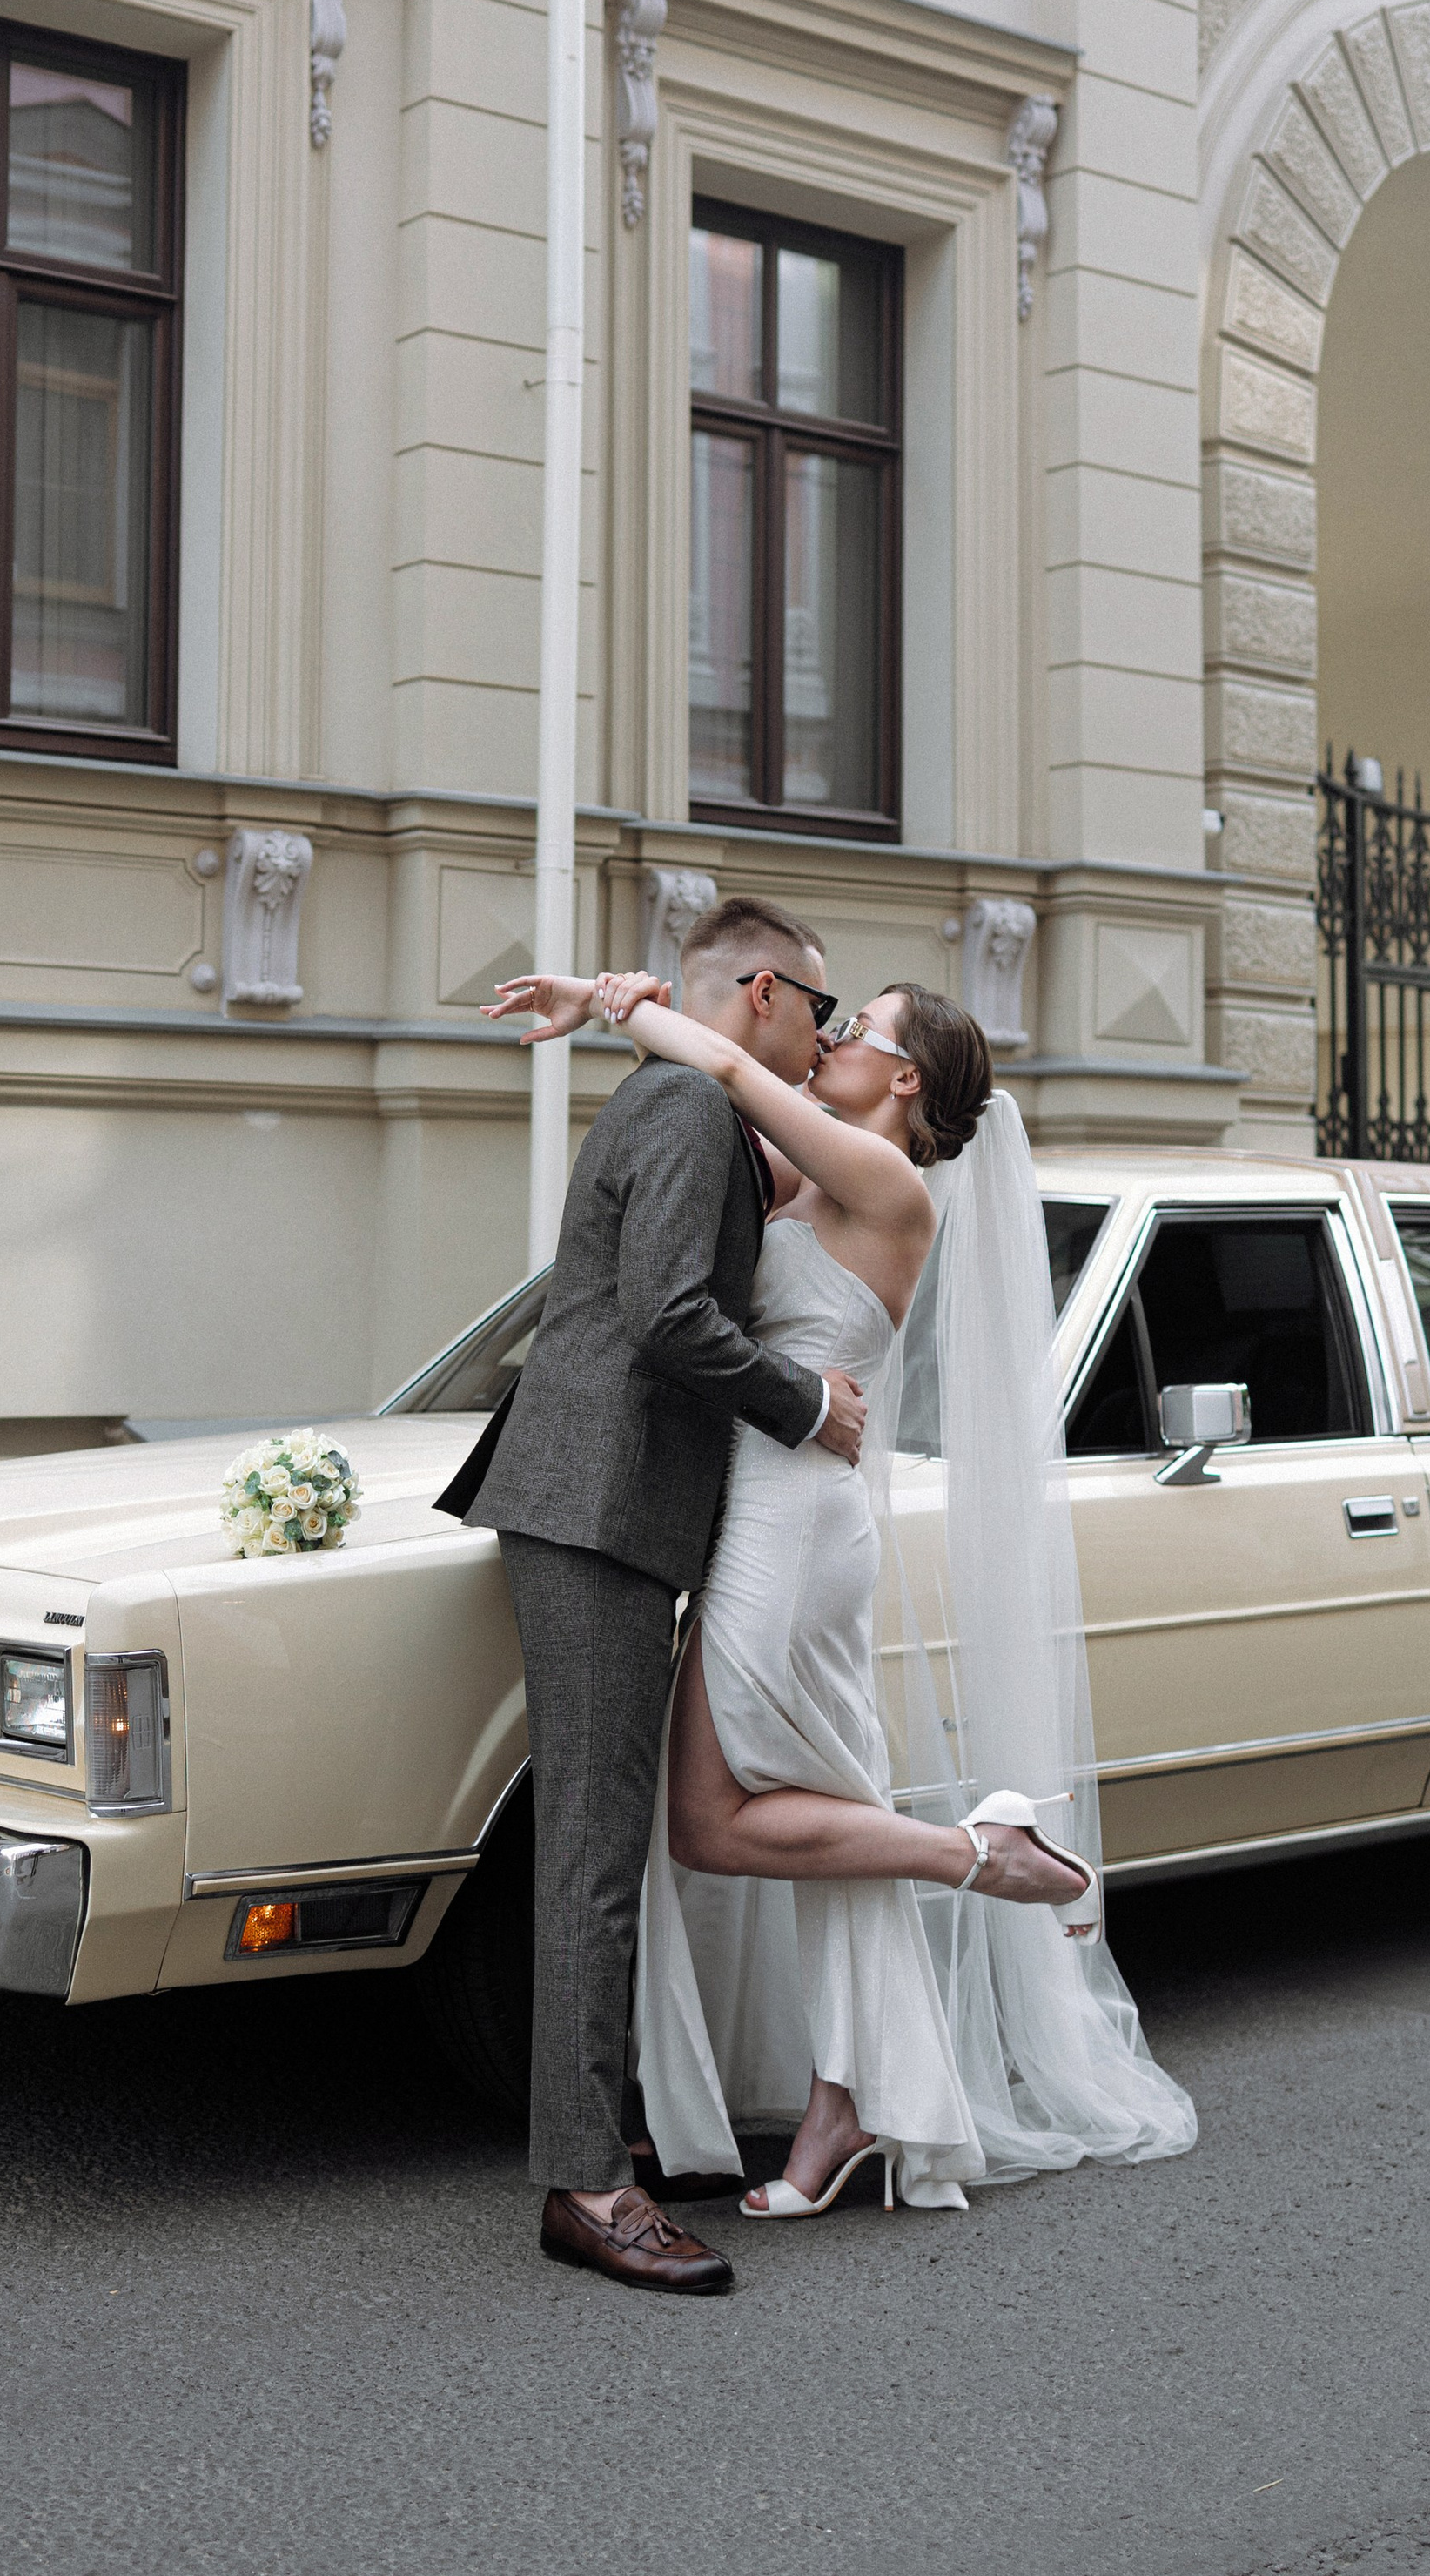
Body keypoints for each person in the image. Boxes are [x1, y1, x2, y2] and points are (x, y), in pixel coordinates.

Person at [489, 952, 1198, 2231]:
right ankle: (848, 2097)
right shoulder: (810, 1168)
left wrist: (615, 1000)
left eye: (855, 1026)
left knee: (709, 1824)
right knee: (816, 1807)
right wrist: (626, 1009)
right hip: (758, 1515)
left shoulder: (884, 1179)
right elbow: (683, 1220)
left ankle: (982, 1855)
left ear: (903, 1075)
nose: (833, 1039)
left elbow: (722, 1063)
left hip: (793, 1528)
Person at [438, 895, 875, 2297]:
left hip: (601, 1501)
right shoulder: (690, 1112)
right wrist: (811, 1403)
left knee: (597, 1838)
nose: (829, 1032)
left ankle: (603, 2133)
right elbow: (671, 1316)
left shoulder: (678, 1089)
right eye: (822, 1007)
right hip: (600, 1506)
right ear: (761, 992)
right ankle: (589, 2184)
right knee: (592, 1847)